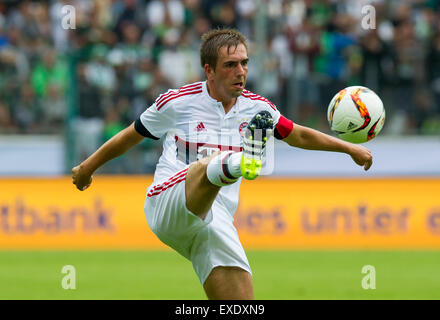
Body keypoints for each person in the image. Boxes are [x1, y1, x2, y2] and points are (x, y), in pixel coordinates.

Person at [72, 29, 372, 300]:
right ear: (209, 70)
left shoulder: (258, 108)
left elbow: (298, 135)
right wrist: (87, 167)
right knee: (207, 165)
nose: (240, 71)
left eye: (244, 63)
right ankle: (244, 161)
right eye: (230, 65)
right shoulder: (177, 102)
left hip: (215, 222)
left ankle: (241, 162)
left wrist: (348, 148)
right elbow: (129, 136)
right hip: (168, 203)